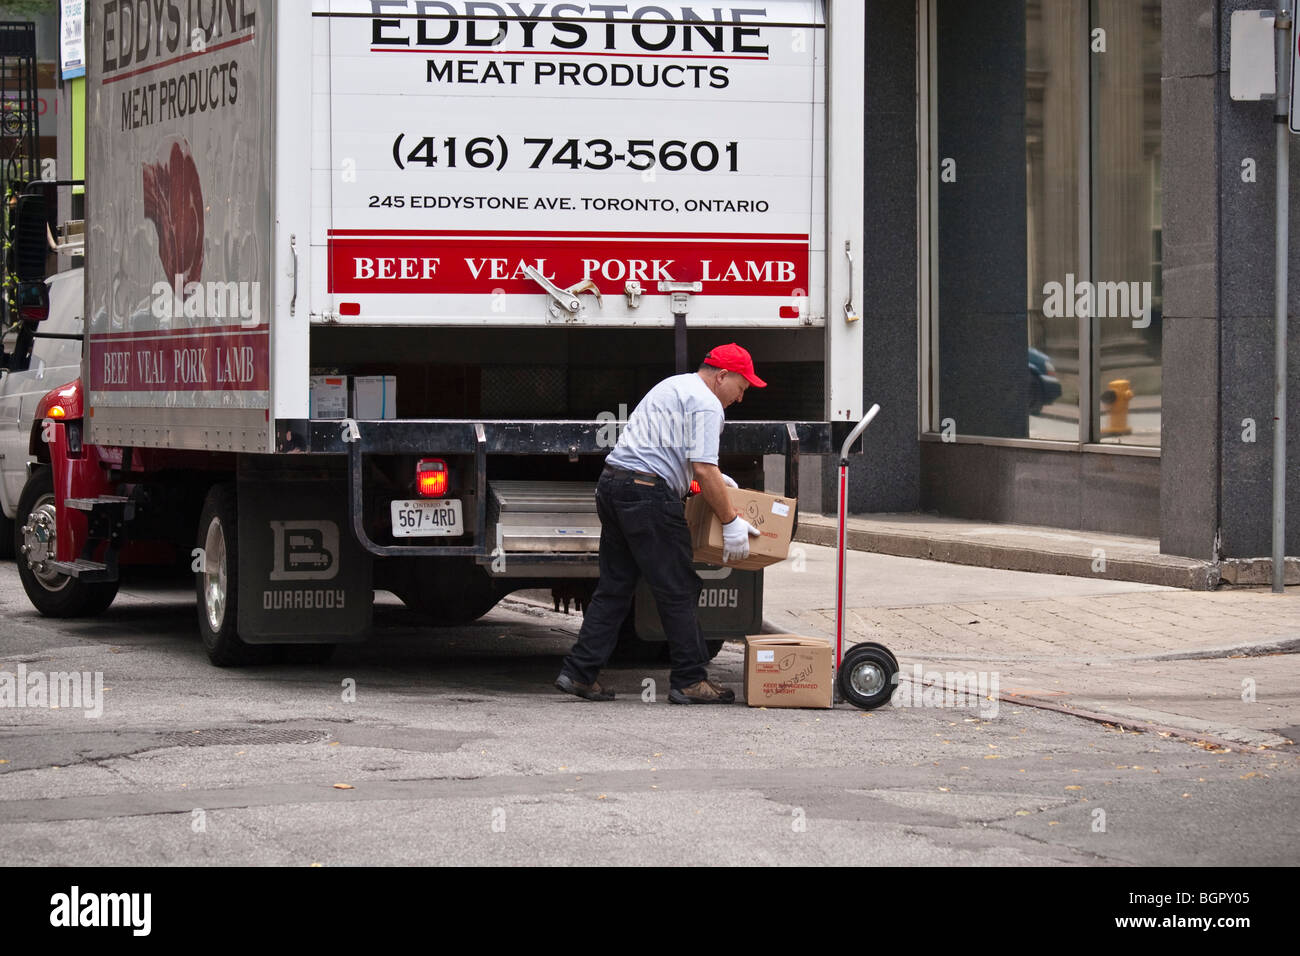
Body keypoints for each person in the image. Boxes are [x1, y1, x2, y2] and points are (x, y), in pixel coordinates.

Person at [555, 343, 766, 704]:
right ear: (722, 376)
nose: (740, 398)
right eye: (741, 388)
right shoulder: (706, 403)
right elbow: (702, 466)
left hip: (614, 484)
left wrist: (717, 480)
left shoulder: (674, 386)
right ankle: (689, 679)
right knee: (678, 587)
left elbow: (675, 456)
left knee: (615, 587)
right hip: (646, 496)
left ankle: (579, 672)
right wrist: (730, 521)